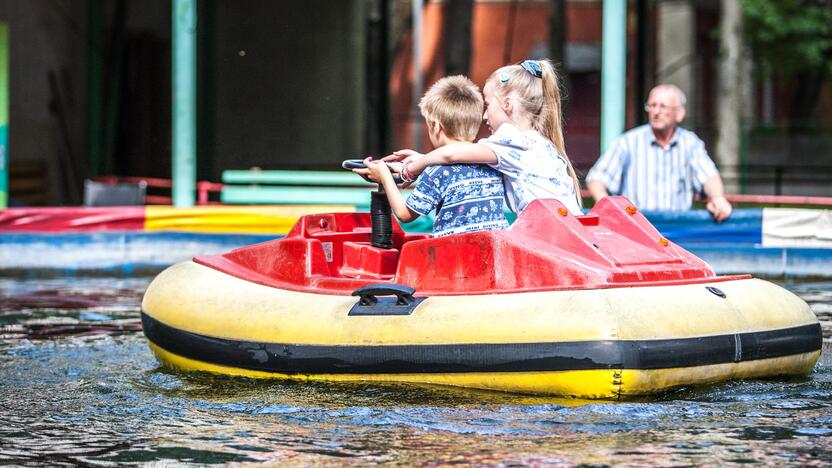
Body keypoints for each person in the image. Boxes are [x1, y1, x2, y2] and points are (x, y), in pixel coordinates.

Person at [374, 59, 583, 216]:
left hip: (549, 237)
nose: (484, 115)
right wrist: (421, 158)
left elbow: (452, 155)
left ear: (507, 105)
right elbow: (464, 158)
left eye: (488, 104)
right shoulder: (537, 142)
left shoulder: (511, 139)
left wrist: (411, 169)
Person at [361, 75, 509, 237]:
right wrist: (421, 161)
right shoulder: (491, 161)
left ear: (436, 127)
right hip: (492, 252)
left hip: (453, 256)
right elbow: (459, 175)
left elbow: (404, 214)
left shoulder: (437, 172)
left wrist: (384, 176)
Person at [585, 84, 733, 222]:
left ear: (679, 113)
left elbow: (709, 176)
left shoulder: (690, 143)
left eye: (663, 106)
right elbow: (596, 179)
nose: (656, 112)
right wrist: (609, 209)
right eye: (652, 106)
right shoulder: (628, 142)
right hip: (637, 230)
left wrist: (718, 198)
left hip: (678, 232)